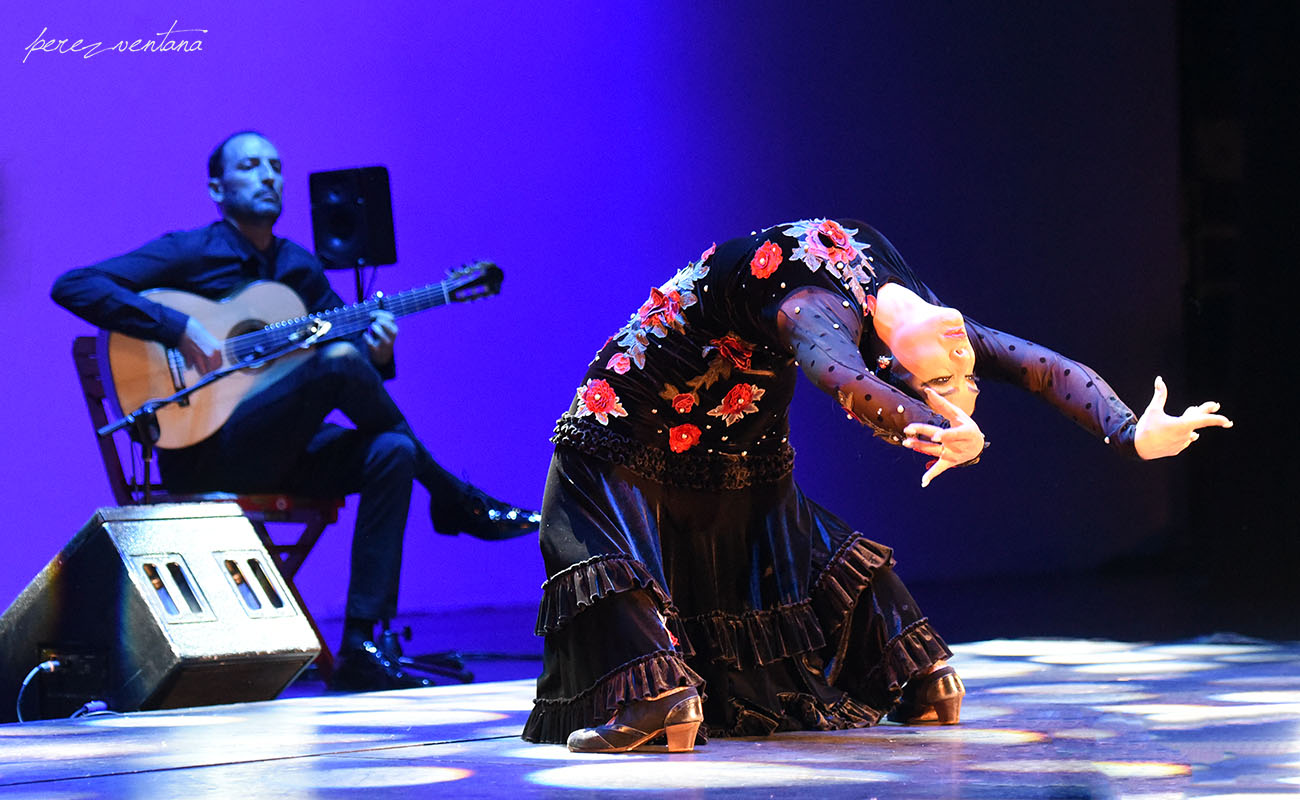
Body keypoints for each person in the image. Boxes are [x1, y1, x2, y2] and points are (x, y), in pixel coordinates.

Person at [521, 218, 1231, 752]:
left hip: (723, 411)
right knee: (702, 520)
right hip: (649, 396)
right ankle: (916, 681)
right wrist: (932, 421)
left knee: (694, 517)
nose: (958, 354)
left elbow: (1037, 367)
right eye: (932, 378)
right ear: (897, 360)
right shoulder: (820, 311)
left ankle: (665, 703)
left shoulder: (906, 319)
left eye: (950, 373)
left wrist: (1131, 430)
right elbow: (848, 382)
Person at [51, 131, 540, 693]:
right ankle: (456, 499)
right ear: (217, 186)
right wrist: (177, 326)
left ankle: (359, 645)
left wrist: (377, 351)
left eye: (277, 166)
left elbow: (351, 365)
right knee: (334, 362)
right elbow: (75, 286)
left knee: (392, 449)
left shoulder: (298, 268)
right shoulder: (192, 252)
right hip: (207, 451)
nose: (269, 177)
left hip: (283, 452)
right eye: (251, 166)